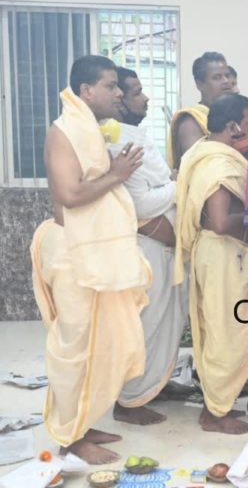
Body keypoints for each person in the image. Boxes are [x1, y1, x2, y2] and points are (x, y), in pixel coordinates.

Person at [29, 55, 150, 464]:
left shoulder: (90, 129)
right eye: (112, 85)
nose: (119, 93)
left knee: (102, 343)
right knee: (76, 347)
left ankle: (83, 420)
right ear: (87, 91)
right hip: (74, 254)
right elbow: (71, 194)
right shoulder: (64, 131)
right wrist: (118, 173)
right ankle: (70, 437)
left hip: (95, 254)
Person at [173, 94, 248, 434]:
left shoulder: (201, 153)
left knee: (222, 330)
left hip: (219, 254)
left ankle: (217, 406)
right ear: (232, 126)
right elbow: (221, 221)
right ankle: (215, 414)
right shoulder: (219, 164)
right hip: (225, 256)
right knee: (229, 334)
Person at [106, 67, 188, 426]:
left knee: (167, 322)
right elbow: (141, 205)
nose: (145, 98)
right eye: (136, 92)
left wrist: (171, 182)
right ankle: (130, 401)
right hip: (148, 248)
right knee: (147, 324)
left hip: (163, 247)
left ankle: (156, 384)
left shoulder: (134, 134)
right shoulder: (119, 141)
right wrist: (181, 180)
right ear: (120, 100)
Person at [166, 52, 233, 169]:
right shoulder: (191, 121)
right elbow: (200, 167)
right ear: (199, 84)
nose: (226, 81)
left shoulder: (233, 115)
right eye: (217, 77)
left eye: (227, 75)